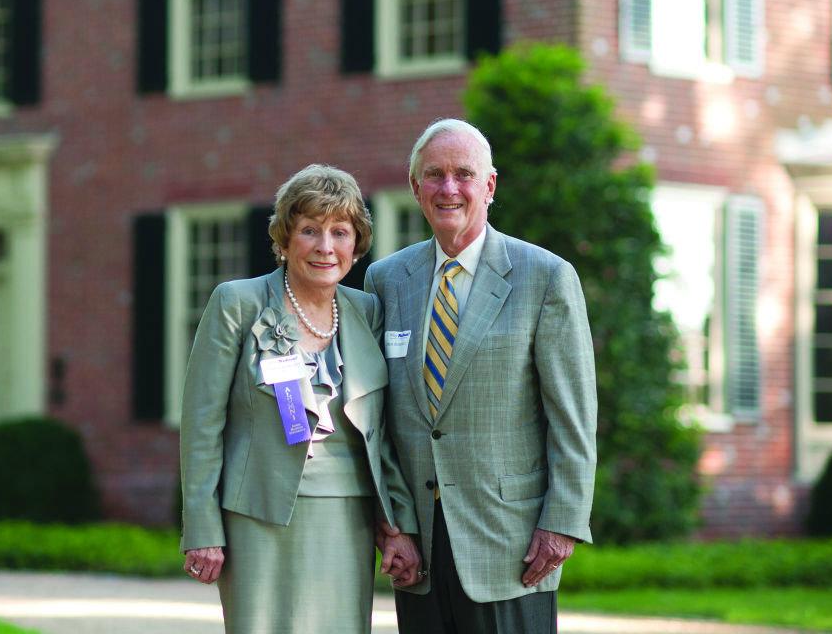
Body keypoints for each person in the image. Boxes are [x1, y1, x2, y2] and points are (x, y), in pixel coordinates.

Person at [364, 119, 598, 634]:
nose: (449, 189)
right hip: (419, 544)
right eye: (435, 175)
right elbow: (374, 416)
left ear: (489, 186)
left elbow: (573, 419)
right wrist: (389, 521)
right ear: (415, 188)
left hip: (511, 544)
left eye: (464, 174)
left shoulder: (545, 277)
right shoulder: (385, 280)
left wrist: (561, 523)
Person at [180, 164, 423, 634]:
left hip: (347, 515)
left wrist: (396, 526)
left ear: (357, 243)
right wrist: (202, 529)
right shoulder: (238, 303)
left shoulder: (366, 310)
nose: (325, 247)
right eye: (310, 230)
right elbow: (201, 424)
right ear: (285, 238)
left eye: (340, 231)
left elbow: (380, 433)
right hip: (257, 514)